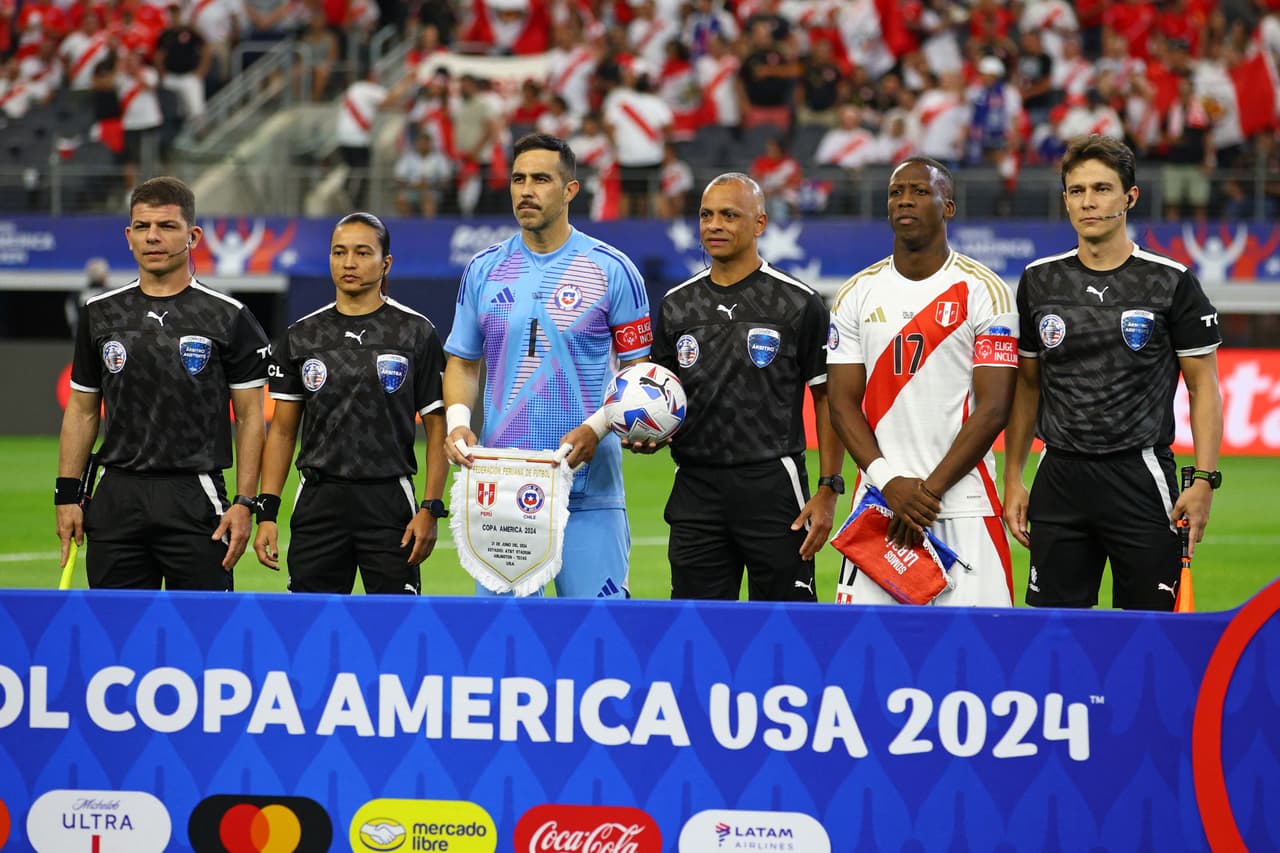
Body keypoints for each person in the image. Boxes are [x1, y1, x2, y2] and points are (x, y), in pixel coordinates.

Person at [1003, 135, 1223, 611]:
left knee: (1151, 634)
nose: (1089, 202)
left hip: (1140, 477)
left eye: (1102, 189)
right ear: (1065, 200)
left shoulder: (1172, 281)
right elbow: (1026, 385)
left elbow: (1203, 385)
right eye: (1077, 191)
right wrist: (1013, 477)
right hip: (1058, 475)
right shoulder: (1038, 280)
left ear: (1130, 197)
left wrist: (1204, 478)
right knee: (1052, 634)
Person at [443, 133, 652, 599]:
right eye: (518, 179)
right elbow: (461, 362)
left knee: (600, 637)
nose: (525, 190)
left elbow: (640, 377)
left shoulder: (613, 270)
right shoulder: (483, 269)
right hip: (502, 487)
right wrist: (458, 423)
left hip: (589, 490)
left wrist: (597, 429)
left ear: (570, 190)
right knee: (506, 646)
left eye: (540, 179)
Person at [55, 176, 269, 589]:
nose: (153, 237)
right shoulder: (100, 313)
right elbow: (82, 411)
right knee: (116, 637)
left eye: (167, 226)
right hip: (116, 494)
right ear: (129, 235)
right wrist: (66, 495)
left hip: (195, 495)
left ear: (193, 235)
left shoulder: (229, 316)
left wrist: (245, 502)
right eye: (142, 226)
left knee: (205, 638)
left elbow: (250, 417)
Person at [826, 157, 1018, 607]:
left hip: (965, 503)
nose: (905, 200)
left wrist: (926, 493)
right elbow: (841, 404)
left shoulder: (985, 289)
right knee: (866, 664)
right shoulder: (856, 292)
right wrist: (889, 482)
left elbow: (994, 408)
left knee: (983, 663)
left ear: (948, 207)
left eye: (919, 191)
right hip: (879, 508)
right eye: (896, 192)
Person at [645, 173, 841, 601]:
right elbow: (659, 394)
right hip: (696, 488)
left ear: (760, 224)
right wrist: (647, 433)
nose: (714, 225)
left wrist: (828, 488)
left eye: (729, 215)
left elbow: (828, 398)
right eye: (706, 215)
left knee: (788, 628)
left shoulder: (799, 302)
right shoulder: (677, 304)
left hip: (773, 486)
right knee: (697, 632)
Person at [253, 212, 448, 594]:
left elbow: (437, 427)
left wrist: (430, 508)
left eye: (362, 253)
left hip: (389, 501)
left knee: (395, 629)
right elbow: (282, 431)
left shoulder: (416, 332)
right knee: (310, 629)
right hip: (318, 501)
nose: (349, 263)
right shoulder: (301, 335)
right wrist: (268, 512)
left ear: (385, 262)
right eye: (339, 252)